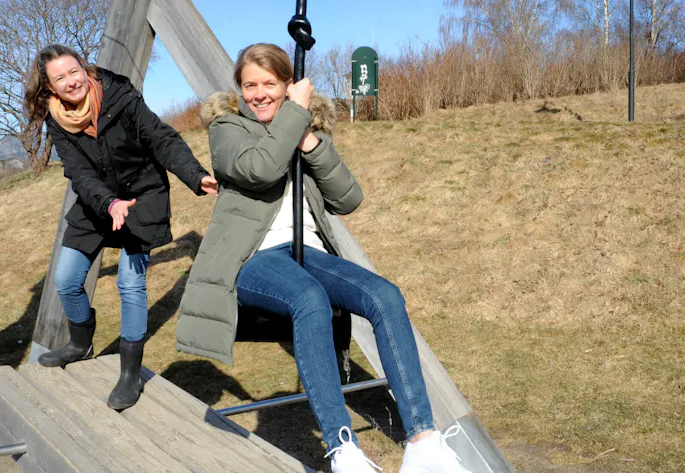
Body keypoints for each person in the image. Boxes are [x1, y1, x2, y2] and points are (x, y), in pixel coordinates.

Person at [176, 43, 469, 473]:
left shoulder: (301, 130)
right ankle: (342, 449)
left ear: (288, 85)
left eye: (269, 84)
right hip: (251, 258)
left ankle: (422, 443)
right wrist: (294, 117)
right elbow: (261, 168)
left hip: (307, 252)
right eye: (249, 85)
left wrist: (311, 139)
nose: (258, 93)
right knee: (309, 299)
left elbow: (349, 197)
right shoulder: (227, 127)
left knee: (385, 296)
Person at [23, 44, 217, 410]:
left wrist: (196, 175)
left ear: (85, 68)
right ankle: (81, 343)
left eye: (74, 71)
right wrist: (107, 202)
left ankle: (130, 374)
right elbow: (78, 172)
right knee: (66, 279)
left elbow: (161, 139)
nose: (71, 81)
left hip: (142, 195)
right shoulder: (56, 117)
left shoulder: (121, 97)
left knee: (130, 283)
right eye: (60, 78)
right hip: (98, 201)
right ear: (49, 87)